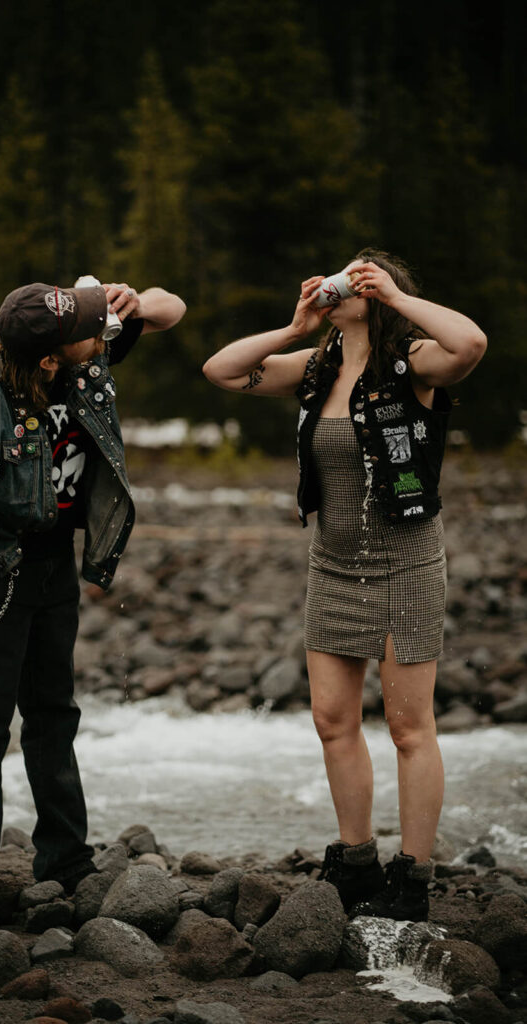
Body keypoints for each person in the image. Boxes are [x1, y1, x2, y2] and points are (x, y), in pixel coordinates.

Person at [0, 277, 186, 936]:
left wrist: (127, 301)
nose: (97, 329)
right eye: (88, 325)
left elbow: (172, 308)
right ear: (50, 357)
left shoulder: (75, 349)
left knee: (54, 710)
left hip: (51, 562)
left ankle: (65, 858)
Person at [203, 250, 486, 921]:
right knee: (332, 721)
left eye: (360, 275)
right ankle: (355, 860)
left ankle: (412, 876)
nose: (344, 281)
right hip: (330, 566)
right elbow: (221, 369)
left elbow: (469, 343)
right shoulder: (315, 368)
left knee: (407, 726)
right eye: (343, 273)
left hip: (405, 560)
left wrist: (391, 293)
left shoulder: (412, 359)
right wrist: (297, 326)